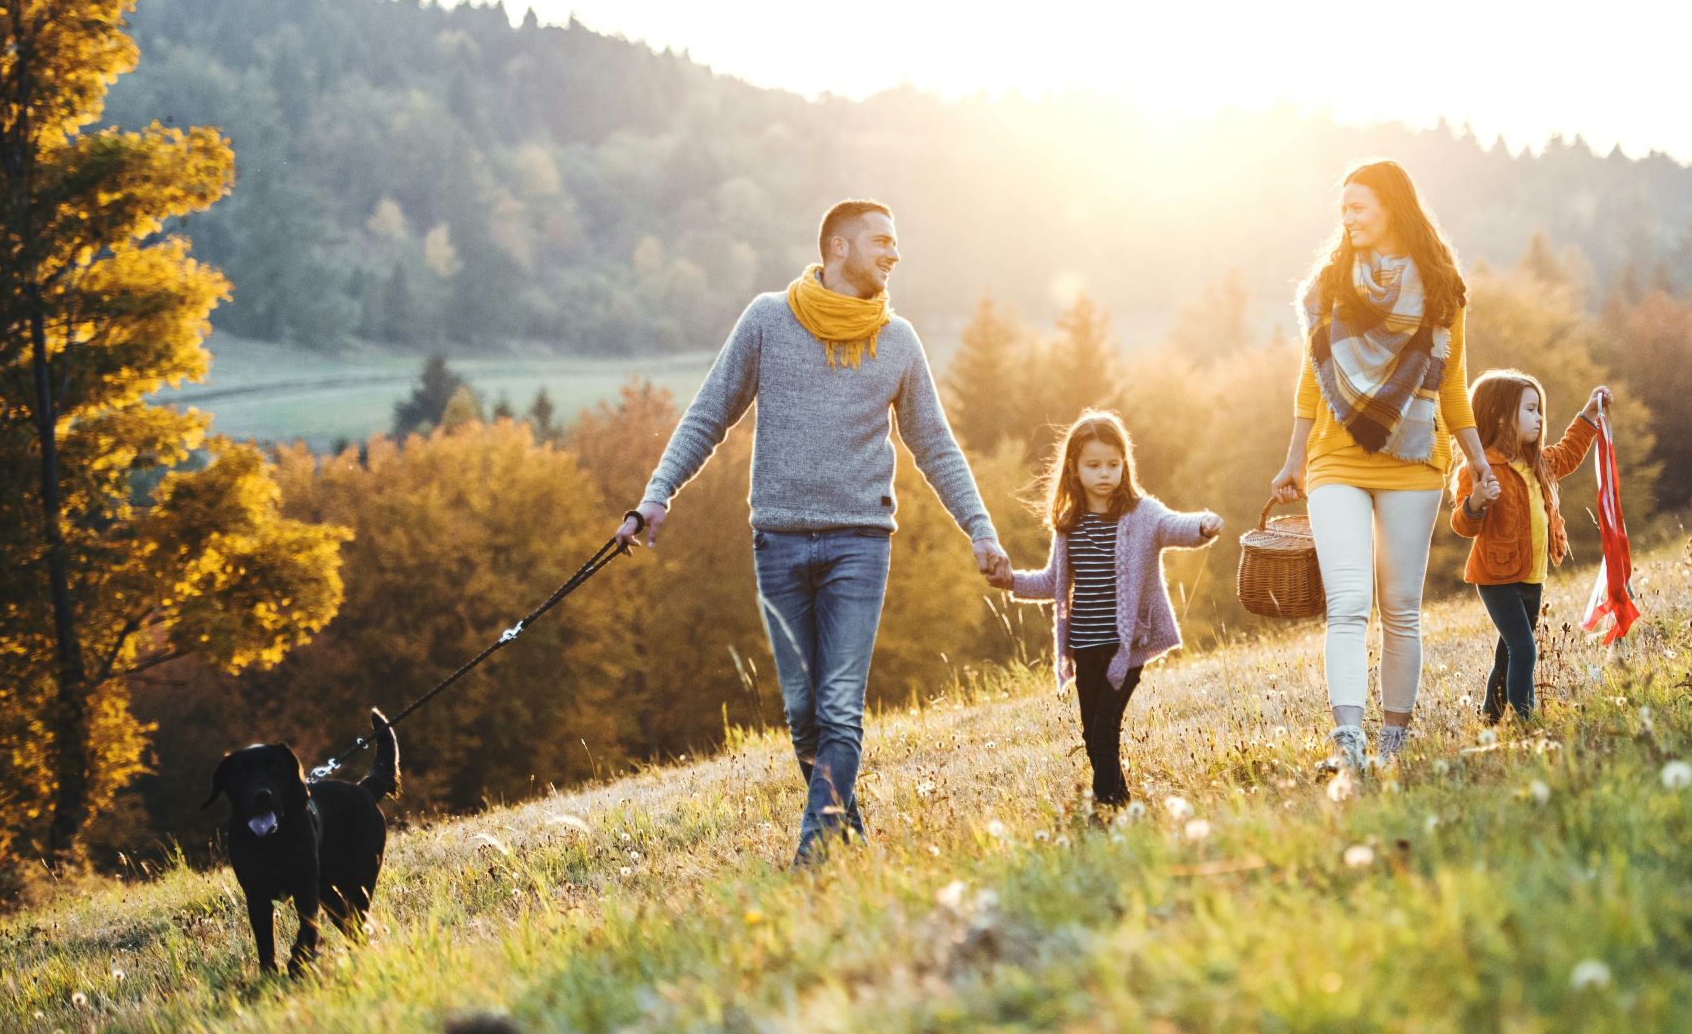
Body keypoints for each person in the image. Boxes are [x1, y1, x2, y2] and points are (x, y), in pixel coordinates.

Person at [616, 199, 1010, 864]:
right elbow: (710, 412)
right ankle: (848, 836)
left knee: (838, 706)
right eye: (882, 241)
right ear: (838, 248)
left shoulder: (899, 341)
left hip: (861, 543)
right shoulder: (768, 320)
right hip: (778, 542)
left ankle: (813, 856)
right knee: (802, 713)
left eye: (896, 242)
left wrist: (981, 529)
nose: (894, 253)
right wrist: (657, 495)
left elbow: (935, 445)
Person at [1270, 159, 1495, 773]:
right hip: (1335, 459)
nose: (1348, 219)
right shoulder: (1329, 286)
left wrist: (1478, 464)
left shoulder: (1442, 289)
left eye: (1358, 207)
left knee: (1399, 607)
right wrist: (1293, 460)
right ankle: (1348, 742)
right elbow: (1312, 381)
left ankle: (1394, 743)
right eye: (1342, 209)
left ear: (1392, 208)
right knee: (1347, 602)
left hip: (1414, 460)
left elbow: (1453, 387)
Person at [996, 410, 1221, 808]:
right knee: (1092, 735)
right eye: (1094, 465)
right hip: (1084, 647)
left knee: (1104, 731)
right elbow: (1053, 583)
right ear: (1074, 468)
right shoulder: (1069, 522)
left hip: (1125, 649)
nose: (1104, 474)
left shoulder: (1142, 514)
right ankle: (1120, 804)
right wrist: (1011, 580)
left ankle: (1106, 811)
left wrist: (1202, 524)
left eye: (1113, 465)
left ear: (1125, 465)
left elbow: (1175, 526)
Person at [1450, 371, 1611, 722]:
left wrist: (1589, 413)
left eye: (1540, 410)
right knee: (1523, 649)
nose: (1539, 418)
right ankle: (1526, 722)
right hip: (1496, 578)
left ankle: (1489, 718)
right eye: (1531, 409)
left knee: (1509, 654)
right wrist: (1475, 503)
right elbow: (1462, 525)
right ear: (1502, 416)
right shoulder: (1481, 468)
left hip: (1531, 577)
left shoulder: (1536, 463)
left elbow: (1568, 453)